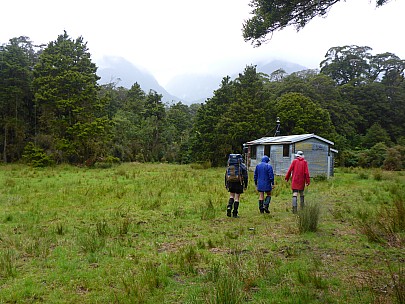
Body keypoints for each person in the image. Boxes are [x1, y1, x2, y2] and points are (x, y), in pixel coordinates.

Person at [225, 154, 248, 218]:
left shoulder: (229, 166)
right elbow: (245, 177)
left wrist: (226, 184)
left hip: (230, 182)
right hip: (239, 183)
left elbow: (226, 175)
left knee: (231, 196)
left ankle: (229, 206)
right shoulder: (242, 166)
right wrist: (245, 185)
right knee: (237, 197)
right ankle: (235, 213)